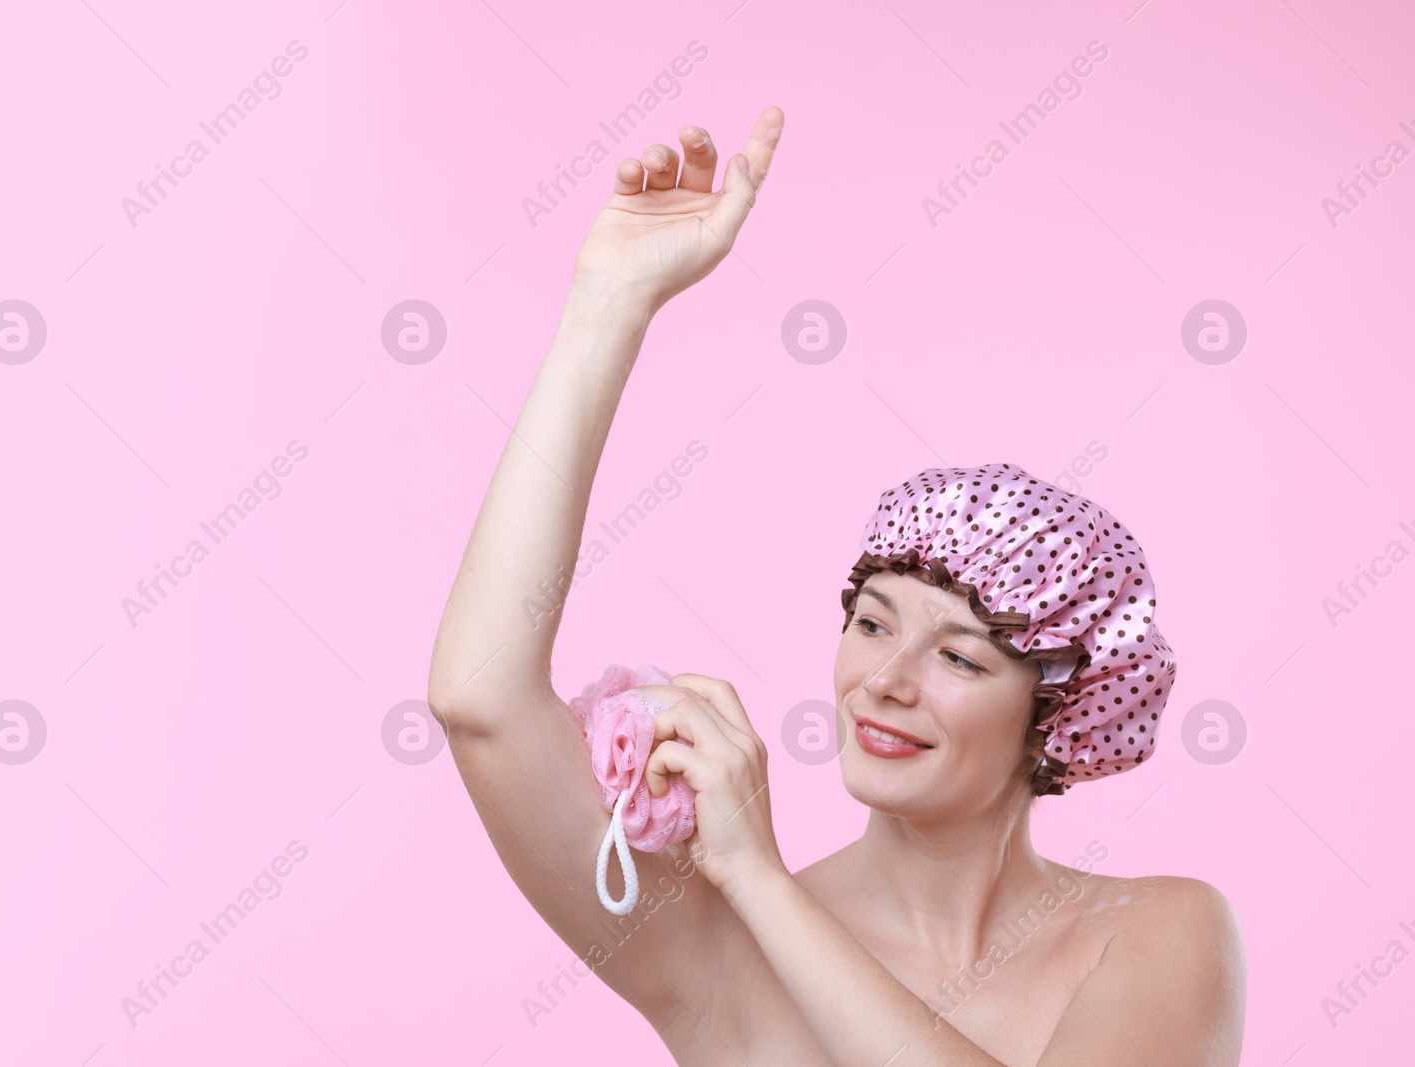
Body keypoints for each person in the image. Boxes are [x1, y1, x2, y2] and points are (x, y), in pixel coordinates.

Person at [427, 107, 1246, 1066]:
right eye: (870, 621)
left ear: (1059, 709)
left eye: (959, 654)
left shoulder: (1156, 931)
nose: (885, 680)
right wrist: (607, 305)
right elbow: (479, 694)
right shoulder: (714, 949)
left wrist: (763, 881)